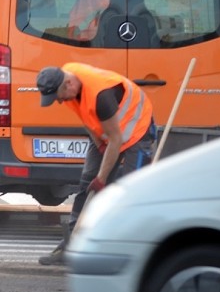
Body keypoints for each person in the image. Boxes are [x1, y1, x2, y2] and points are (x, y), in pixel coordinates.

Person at [36, 63, 155, 265]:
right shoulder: (68, 79)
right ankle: (70, 244)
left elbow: (117, 139)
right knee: (86, 183)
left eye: (59, 97)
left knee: (130, 190)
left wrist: (102, 179)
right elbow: (85, 117)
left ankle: (132, 252)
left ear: (69, 84)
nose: (59, 102)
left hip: (135, 130)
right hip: (108, 130)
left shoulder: (101, 96)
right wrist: (99, 144)